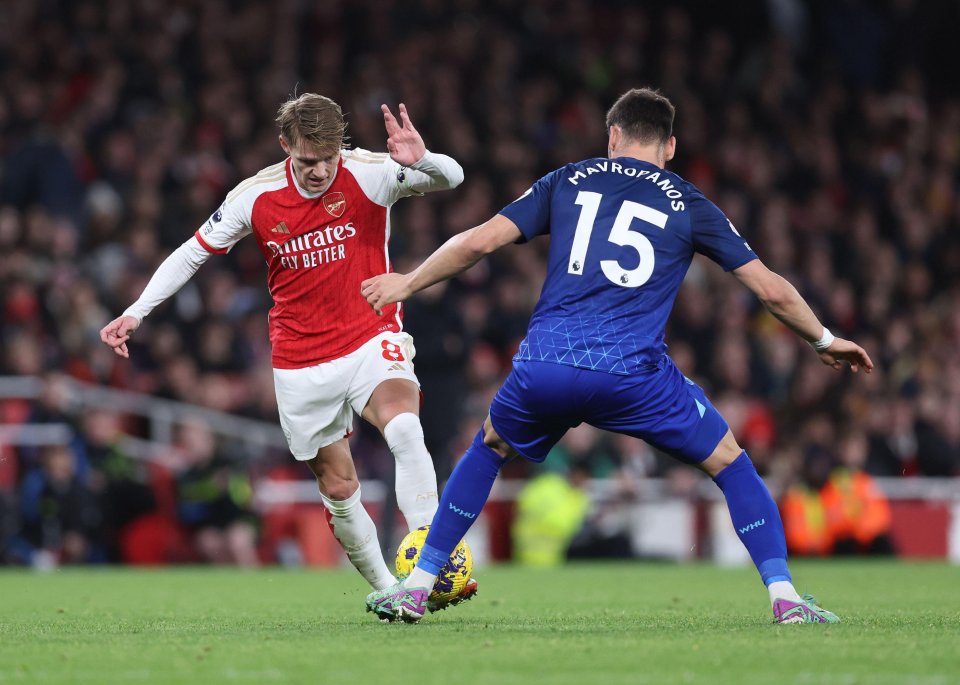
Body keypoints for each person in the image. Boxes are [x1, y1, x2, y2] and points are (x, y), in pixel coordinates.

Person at [361, 87, 873, 624]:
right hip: (633, 375)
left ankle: (417, 585)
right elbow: (769, 290)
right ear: (670, 146)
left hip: (546, 366)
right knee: (731, 463)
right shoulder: (689, 202)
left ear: (612, 136)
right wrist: (824, 339)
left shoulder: (568, 179)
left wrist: (410, 282)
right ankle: (785, 597)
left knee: (488, 447)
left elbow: (478, 243)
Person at [100, 93, 476, 600]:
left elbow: (451, 178)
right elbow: (192, 253)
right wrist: (136, 310)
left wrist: (423, 161)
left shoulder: (369, 172)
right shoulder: (254, 197)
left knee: (406, 427)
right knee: (340, 489)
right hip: (301, 361)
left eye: (327, 159)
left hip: (370, 335)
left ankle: (429, 569)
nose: (319, 171)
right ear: (285, 147)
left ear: (340, 148)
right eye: (306, 161)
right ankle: (390, 590)